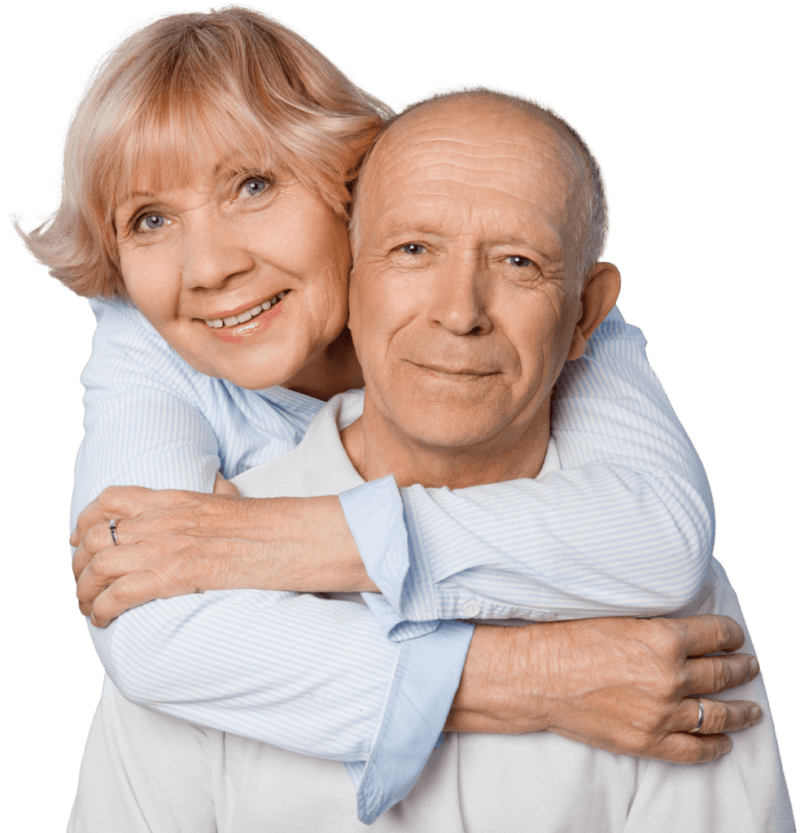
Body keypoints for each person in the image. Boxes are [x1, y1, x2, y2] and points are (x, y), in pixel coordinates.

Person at [9, 5, 760, 825]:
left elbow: (663, 543)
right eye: (149, 219)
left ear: (351, 180)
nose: (211, 266)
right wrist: (536, 676)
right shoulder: (144, 341)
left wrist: (281, 540)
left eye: (253, 185)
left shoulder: (543, 299)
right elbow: (148, 629)